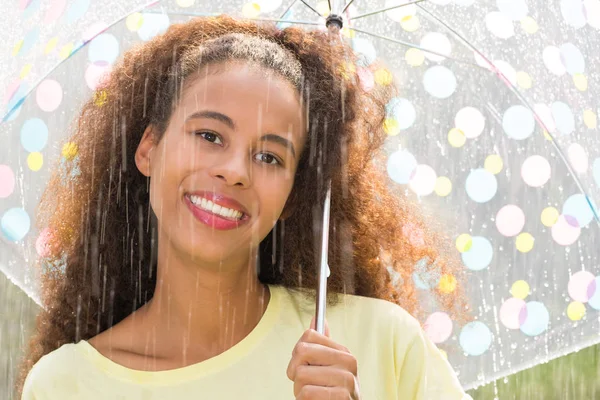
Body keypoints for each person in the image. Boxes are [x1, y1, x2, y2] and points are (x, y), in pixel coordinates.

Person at [15, 15, 471, 399]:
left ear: (294, 195)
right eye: (210, 136)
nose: (235, 171)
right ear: (149, 148)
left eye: (269, 156)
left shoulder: (383, 343)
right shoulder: (66, 385)